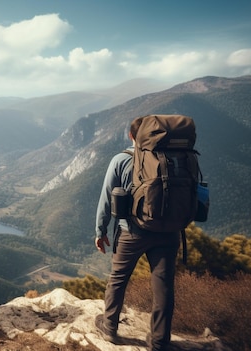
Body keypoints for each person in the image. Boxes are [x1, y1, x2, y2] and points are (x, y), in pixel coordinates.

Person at [94, 117, 180, 351]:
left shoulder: (122, 159)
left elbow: (106, 197)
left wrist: (100, 231)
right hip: (169, 232)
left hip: (131, 232)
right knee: (163, 287)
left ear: (132, 136)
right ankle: (160, 341)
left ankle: (109, 327)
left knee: (118, 280)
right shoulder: (175, 157)